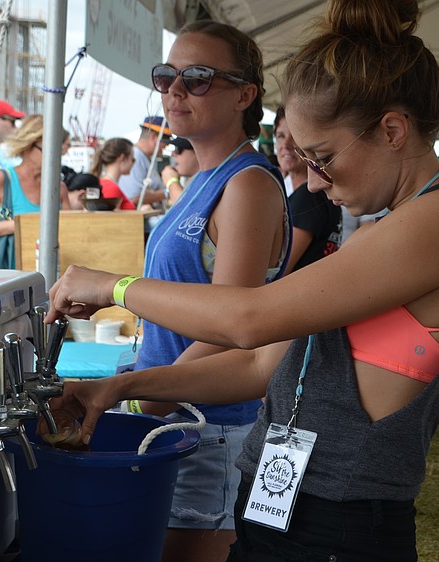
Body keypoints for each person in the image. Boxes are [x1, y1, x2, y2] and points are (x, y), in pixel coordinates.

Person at [46, 1, 439, 560]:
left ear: (392, 130)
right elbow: (260, 364)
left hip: (340, 520)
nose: (311, 182)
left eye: (323, 156)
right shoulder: (385, 234)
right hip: (279, 503)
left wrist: (113, 287)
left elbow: (247, 320)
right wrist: (122, 388)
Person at [78, 21, 291, 562]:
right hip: (178, 419)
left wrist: (144, 394)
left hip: (211, 429)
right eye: (166, 75)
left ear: (245, 94)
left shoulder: (247, 184)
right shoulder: (204, 176)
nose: (174, 89)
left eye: (196, 78)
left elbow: (232, 328)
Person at [0, 115, 71, 250]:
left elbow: (69, 235)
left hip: (48, 269)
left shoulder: (59, 188)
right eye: (48, 151)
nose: (55, 157)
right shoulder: (1, 180)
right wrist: (18, 225)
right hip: (8, 268)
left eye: (59, 152)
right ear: (28, 145)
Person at [275, 105, 342, 273]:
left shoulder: (309, 195)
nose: (286, 145)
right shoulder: (317, 193)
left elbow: (280, 268)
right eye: (280, 136)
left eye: (295, 137)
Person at [118, 116, 171, 209]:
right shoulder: (135, 156)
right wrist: (167, 192)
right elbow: (134, 196)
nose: (166, 146)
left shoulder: (145, 157)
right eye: (166, 141)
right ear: (154, 138)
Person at [89, 138, 137, 210]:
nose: (133, 164)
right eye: (132, 159)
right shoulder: (111, 187)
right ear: (122, 158)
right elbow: (113, 219)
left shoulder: (105, 184)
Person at [159, 136, 199, 208]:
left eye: (178, 149)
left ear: (197, 151)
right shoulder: (194, 180)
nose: (173, 154)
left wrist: (171, 181)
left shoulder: (212, 179)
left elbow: (188, 212)